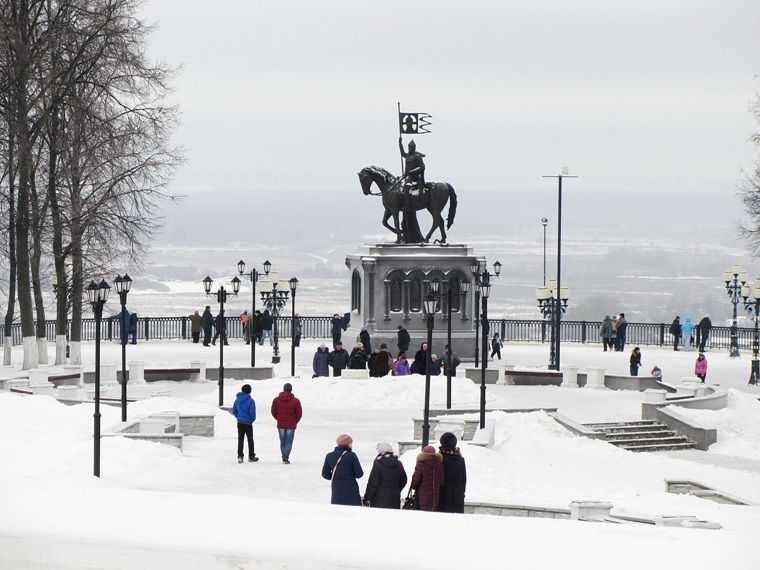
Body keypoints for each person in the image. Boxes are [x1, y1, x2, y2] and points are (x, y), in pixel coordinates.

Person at [322, 434, 363, 506]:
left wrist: (335, 477)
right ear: (347, 444)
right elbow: (359, 474)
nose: (352, 445)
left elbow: (325, 474)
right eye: (351, 443)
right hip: (351, 489)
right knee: (354, 512)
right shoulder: (352, 455)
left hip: (336, 489)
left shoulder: (329, 456)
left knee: (339, 512)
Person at [363, 442, 407, 509]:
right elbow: (404, 479)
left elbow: (373, 483)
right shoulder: (398, 463)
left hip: (379, 500)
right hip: (394, 498)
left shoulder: (378, 464)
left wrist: (367, 498)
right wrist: (396, 489)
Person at [270, 382, 302, 464]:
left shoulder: (276, 400)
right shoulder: (296, 401)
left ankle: (283, 455)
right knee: (289, 441)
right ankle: (285, 456)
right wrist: (295, 421)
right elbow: (299, 413)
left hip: (281, 424)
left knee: (282, 441)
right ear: (291, 390)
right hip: (291, 424)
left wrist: (278, 419)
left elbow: (273, 411)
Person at [438, 432, 466, 514]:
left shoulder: (441, 458)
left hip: (444, 493)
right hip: (458, 492)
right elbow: (463, 479)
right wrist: (462, 492)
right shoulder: (461, 460)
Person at [410, 445, 444, 512]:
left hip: (422, 495)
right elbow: (441, 482)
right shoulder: (439, 465)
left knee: (423, 514)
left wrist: (413, 486)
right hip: (435, 496)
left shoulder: (421, 464)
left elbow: (415, 481)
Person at [231, 384, 258, 463]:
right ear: (249, 391)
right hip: (248, 423)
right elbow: (252, 412)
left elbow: (234, 411)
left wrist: (238, 417)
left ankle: (240, 456)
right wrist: (252, 419)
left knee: (240, 439)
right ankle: (251, 456)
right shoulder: (251, 401)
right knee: (250, 439)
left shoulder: (237, 400)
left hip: (240, 422)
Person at [398, 136, 426, 209]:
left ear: (413, 148)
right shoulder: (407, 155)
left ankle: (407, 205)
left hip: (415, 176)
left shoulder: (417, 156)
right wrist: (400, 143)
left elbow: (422, 167)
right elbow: (402, 153)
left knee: (406, 186)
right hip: (408, 175)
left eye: (410, 148)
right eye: (408, 148)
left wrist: (413, 171)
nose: (409, 149)